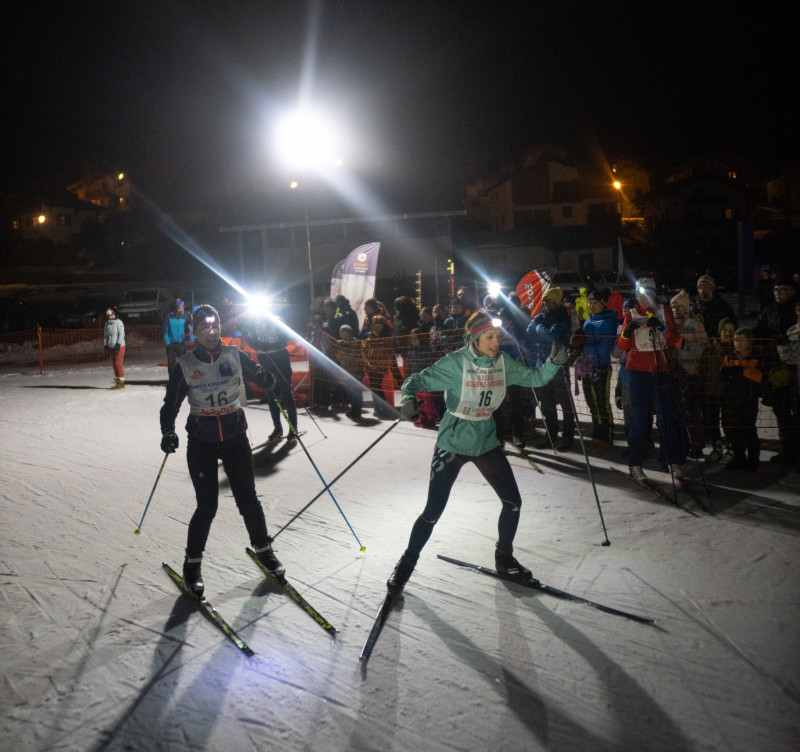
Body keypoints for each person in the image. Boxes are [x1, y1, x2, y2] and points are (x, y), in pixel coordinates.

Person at [386, 310, 568, 593]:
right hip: (453, 443)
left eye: (497, 336)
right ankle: (406, 564)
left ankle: (504, 558)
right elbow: (415, 380)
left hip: (485, 441)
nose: (496, 342)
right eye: (489, 337)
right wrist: (408, 398)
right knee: (432, 512)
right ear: (474, 338)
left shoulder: (504, 363)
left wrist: (554, 362)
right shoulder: (456, 363)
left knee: (513, 502)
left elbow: (536, 378)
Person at [159, 304, 281, 597]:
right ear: (196, 331)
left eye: (214, 326)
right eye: (204, 327)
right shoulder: (185, 364)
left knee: (248, 500)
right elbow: (170, 405)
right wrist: (168, 431)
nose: (211, 332)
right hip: (202, 442)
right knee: (207, 506)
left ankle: (263, 549)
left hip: (236, 438)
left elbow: (262, 375)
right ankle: (192, 563)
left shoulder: (233, 354)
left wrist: (266, 379)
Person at [618, 277, 686, 481]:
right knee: (639, 420)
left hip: (662, 370)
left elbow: (678, 342)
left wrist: (663, 329)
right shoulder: (630, 314)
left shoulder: (664, 312)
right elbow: (622, 347)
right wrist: (627, 333)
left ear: (653, 295)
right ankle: (635, 464)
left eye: (647, 294)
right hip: (638, 373)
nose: (643, 298)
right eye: (639, 294)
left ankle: (672, 461)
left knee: (666, 419)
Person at [754, 275, 799, 463]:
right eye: (776, 289)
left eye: (784, 289)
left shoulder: (796, 309)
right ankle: (787, 449)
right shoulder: (769, 309)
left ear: (793, 291)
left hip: (794, 366)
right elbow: (759, 329)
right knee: (780, 408)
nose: (779, 293)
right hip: (775, 366)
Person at [524, 286, 574, 451]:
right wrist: (541, 331)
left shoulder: (563, 317)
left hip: (559, 368)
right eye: (544, 301)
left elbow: (553, 335)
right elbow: (529, 332)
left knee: (566, 405)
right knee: (547, 405)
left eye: (550, 301)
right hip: (542, 366)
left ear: (557, 302)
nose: (546, 305)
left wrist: (539, 330)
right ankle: (551, 436)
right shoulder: (540, 317)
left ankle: (567, 437)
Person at [242, 312, 299, 444]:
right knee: (271, 393)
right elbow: (248, 337)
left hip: (280, 357)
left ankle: (293, 428)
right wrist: (258, 346)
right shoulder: (253, 322)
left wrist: (274, 345)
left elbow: (286, 336)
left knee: (286, 393)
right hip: (264, 357)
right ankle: (277, 428)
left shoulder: (277, 320)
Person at [575, 290, 617, 446]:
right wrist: (579, 367)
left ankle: (607, 434)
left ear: (602, 304)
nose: (592, 306)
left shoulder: (609, 321)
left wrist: (585, 338)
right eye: (590, 303)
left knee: (601, 402)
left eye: (595, 303)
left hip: (600, 366)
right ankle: (597, 431)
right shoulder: (587, 321)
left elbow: (603, 343)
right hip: (587, 365)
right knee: (591, 401)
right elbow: (582, 348)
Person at [670, 291, 709, 457]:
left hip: (689, 373)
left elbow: (701, 348)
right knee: (674, 411)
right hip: (672, 373)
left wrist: (682, 346)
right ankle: (679, 443)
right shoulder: (670, 324)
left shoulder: (695, 325)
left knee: (691, 411)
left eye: (680, 306)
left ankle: (697, 444)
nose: (676, 310)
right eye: (673, 307)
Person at [719, 329, 763, 471]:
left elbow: (760, 377)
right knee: (732, 429)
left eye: (740, 340)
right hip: (731, 397)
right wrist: (724, 374)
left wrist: (742, 371)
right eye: (735, 340)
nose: (736, 343)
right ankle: (738, 458)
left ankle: (753, 460)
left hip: (748, 398)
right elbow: (723, 376)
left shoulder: (757, 356)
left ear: (749, 341)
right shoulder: (730, 356)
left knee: (748, 429)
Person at [363, 314, 397, 419]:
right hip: (370, 368)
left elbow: (387, 355)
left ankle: (383, 408)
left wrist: (377, 366)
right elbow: (364, 353)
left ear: (383, 326)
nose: (377, 327)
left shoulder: (387, 339)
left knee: (378, 388)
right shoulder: (370, 339)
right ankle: (378, 408)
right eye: (375, 325)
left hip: (380, 368)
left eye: (379, 325)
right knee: (373, 388)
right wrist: (368, 363)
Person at [334, 324, 366, 419]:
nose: (345, 335)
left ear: (350, 333)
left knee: (356, 391)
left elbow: (359, 354)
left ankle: (357, 410)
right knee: (350, 392)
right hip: (346, 371)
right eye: (342, 333)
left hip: (356, 370)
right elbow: (338, 357)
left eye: (346, 332)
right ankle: (353, 409)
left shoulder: (356, 343)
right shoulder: (340, 344)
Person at [691, 274, 736, 340]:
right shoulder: (694, 308)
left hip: (720, 343)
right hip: (701, 344)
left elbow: (733, 325)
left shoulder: (724, 307)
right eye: (699, 288)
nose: (702, 291)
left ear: (712, 288)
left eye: (705, 287)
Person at [163, 298, 192, 371]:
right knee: (171, 363)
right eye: (179, 308)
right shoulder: (169, 317)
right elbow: (165, 330)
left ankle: (182, 379)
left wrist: (187, 341)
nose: (181, 310)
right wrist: (168, 343)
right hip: (171, 344)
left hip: (181, 343)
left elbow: (189, 330)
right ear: (176, 308)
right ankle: (172, 380)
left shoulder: (186, 317)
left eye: (182, 308)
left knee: (183, 363)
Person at [104, 308, 126, 389]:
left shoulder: (118, 322)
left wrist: (118, 345)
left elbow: (121, 334)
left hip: (119, 346)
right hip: (111, 346)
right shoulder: (107, 324)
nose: (110, 316)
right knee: (114, 364)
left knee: (118, 364)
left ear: (114, 314)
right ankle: (118, 383)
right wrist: (105, 346)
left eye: (111, 315)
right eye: (109, 315)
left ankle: (121, 384)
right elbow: (105, 336)